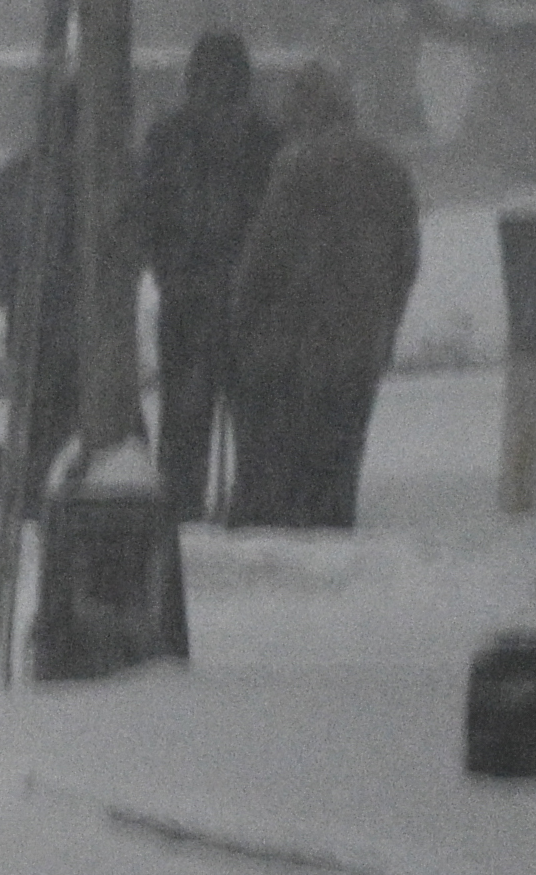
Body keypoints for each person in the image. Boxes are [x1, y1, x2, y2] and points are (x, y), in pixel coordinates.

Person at [226, 59, 420, 530]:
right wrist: (386, 319)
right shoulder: (389, 168)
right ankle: (334, 527)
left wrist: (241, 321)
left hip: (300, 339)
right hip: (362, 337)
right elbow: (406, 258)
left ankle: (298, 538)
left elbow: (264, 257)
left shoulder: (297, 168)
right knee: (342, 447)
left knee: (296, 451)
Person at [135, 31, 277, 519]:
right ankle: (251, 511)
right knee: (252, 428)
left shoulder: (169, 137)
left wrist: (172, 273)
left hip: (190, 303)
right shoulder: (265, 140)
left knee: (185, 424)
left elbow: (149, 217)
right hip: (243, 303)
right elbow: (271, 223)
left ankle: (183, 512)